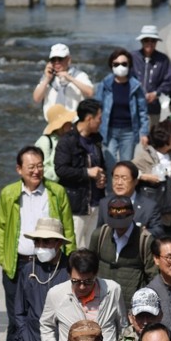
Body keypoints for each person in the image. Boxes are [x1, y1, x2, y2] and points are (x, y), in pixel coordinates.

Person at [0, 145, 76, 341]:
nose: (36, 171)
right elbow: (2, 228)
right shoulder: (9, 194)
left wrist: (68, 263)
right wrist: (4, 257)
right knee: (16, 321)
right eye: (31, 166)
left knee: (51, 314)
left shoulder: (56, 192)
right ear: (19, 169)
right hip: (19, 264)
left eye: (40, 165)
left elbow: (68, 226)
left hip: (50, 262)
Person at [39, 248, 126, 341]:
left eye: (88, 281)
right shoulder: (56, 294)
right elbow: (46, 325)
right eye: (76, 281)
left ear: (96, 273)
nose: (82, 287)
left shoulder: (113, 290)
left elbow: (123, 327)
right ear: (69, 274)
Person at [13, 217, 71, 341]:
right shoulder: (28, 269)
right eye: (37, 241)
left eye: (46, 241)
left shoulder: (70, 268)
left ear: (59, 243)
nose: (40, 246)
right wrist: (26, 340)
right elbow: (19, 310)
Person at [55, 98, 107, 247]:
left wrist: (102, 179)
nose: (101, 122)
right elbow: (61, 170)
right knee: (74, 248)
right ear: (89, 118)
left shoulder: (96, 140)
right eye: (99, 118)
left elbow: (101, 166)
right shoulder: (67, 141)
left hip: (96, 204)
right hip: (77, 207)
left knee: (93, 250)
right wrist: (86, 172)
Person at [89, 196, 156, 307]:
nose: (119, 227)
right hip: (101, 304)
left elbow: (153, 276)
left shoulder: (145, 241)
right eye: (115, 222)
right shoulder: (99, 235)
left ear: (133, 214)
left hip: (132, 307)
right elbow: (89, 268)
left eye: (123, 221)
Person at [133, 121, 171, 236]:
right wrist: (144, 176)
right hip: (152, 217)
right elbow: (127, 173)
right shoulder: (144, 157)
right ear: (164, 138)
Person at [95, 48, 149, 167]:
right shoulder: (105, 84)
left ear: (129, 65)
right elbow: (97, 107)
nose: (120, 67)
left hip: (129, 132)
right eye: (116, 64)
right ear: (111, 65)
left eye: (124, 64)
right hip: (109, 131)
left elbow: (142, 111)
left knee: (126, 166)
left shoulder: (135, 86)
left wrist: (144, 133)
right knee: (110, 165)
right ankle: (110, 187)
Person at [96, 159, 163, 236]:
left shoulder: (150, 206)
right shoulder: (104, 203)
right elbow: (99, 232)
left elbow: (158, 231)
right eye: (116, 178)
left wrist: (142, 232)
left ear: (135, 181)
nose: (119, 183)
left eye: (124, 178)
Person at [32, 42, 94, 122]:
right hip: (53, 123)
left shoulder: (79, 75)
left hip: (73, 123)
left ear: (68, 60)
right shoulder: (48, 77)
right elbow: (37, 98)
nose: (57, 62)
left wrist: (70, 79)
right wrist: (47, 79)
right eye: (53, 60)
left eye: (60, 59)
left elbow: (90, 93)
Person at [130, 25, 171, 127]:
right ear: (141, 41)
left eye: (153, 40)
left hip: (154, 108)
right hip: (134, 107)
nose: (149, 43)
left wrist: (156, 93)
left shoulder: (163, 60)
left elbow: (169, 81)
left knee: (152, 138)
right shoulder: (132, 57)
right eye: (146, 40)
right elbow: (127, 79)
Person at [34, 105, 75, 182]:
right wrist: (64, 172)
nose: (71, 124)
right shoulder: (45, 142)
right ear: (61, 125)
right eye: (68, 122)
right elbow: (43, 170)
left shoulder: (69, 140)